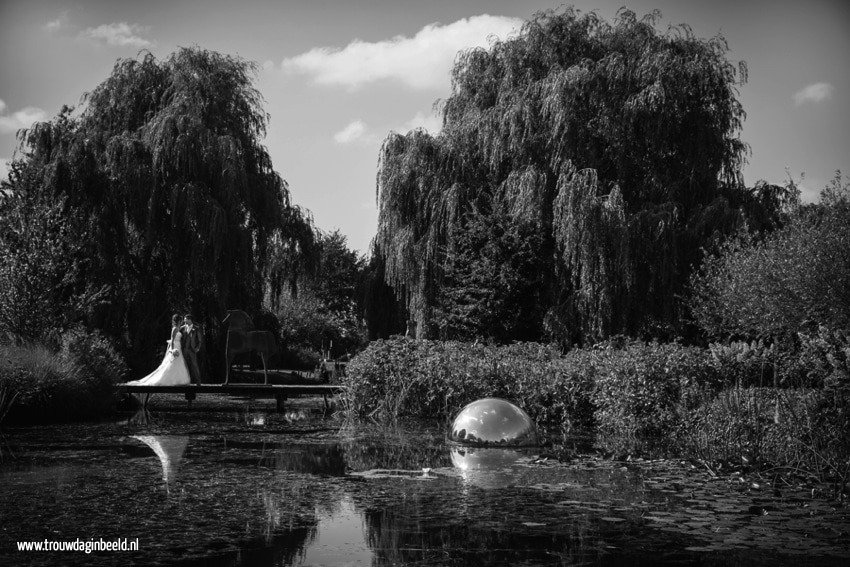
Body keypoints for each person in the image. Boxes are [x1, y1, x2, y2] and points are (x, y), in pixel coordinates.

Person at [125, 314, 191, 386]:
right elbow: (172, 341)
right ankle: (168, 379)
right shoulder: (174, 329)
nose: (182, 322)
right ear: (178, 321)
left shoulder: (178, 328)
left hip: (179, 346)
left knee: (178, 363)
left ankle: (178, 380)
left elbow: (184, 327)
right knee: (171, 363)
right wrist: (172, 350)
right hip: (175, 346)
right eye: (181, 320)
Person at [180, 314, 203, 384]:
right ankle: (184, 381)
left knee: (195, 365)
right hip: (184, 349)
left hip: (192, 349)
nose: (184, 320)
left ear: (189, 320)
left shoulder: (196, 328)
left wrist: (198, 348)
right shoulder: (182, 328)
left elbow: (200, 340)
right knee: (183, 365)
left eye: (185, 319)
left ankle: (198, 381)